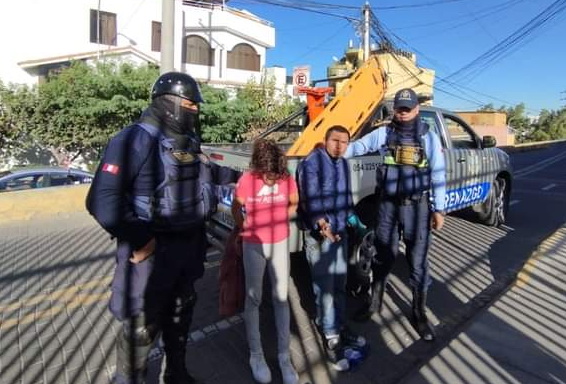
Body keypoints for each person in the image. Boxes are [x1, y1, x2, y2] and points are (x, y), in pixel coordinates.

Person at [86, 71, 237, 384]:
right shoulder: (134, 138)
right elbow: (102, 199)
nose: (195, 111)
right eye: (191, 105)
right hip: (153, 249)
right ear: (170, 103)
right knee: (142, 326)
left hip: (189, 245)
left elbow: (209, 173)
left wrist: (244, 176)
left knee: (181, 312)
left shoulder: (188, 141)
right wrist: (141, 240)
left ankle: (176, 374)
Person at [345, 88, 447, 342]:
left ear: (416, 109)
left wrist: (439, 208)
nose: (402, 113)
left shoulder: (429, 138)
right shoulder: (384, 133)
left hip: (417, 206)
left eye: (407, 108)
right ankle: (374, 304)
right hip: (387, 205)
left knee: (418, 259)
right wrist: (333, 150)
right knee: (382, 255)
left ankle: (419, 313)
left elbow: (438, 175)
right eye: (399, 108)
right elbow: (358, 147)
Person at [296, 125, 367, 372]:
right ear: (325, 140)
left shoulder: (343, 164)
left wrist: (354, 221)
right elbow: (310, 198)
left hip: (340, 233)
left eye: (344, 142)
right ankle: (329, 333)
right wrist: (322, 224)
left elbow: (346, 198)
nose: (339, 146)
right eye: (335, 140)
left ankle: (338, 324)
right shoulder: (312, 162)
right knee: (324, 286)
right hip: (321, 236)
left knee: (339, 283)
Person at [231, 139, 300, 384]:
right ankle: (256, 354)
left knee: (281, 297)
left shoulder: (286, 176)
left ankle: (283, 356)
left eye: (274, 174)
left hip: (279, 241)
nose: (270, 179)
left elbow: (294, 203)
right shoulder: (248, 179)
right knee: (254, 298)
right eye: (266, 174)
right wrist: (244, 227)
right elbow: (236, 208)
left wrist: (280, 216)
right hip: (254, 244)